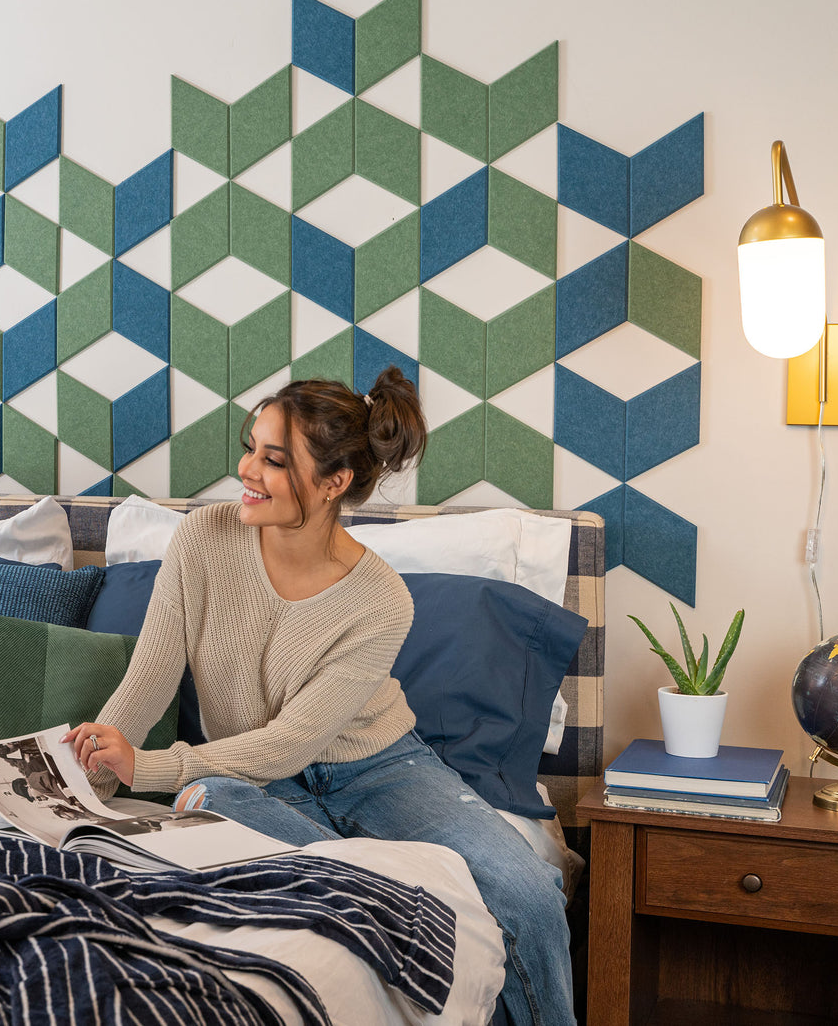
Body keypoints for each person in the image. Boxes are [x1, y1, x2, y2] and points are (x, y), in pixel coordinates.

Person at [62, 367, 575, 1026]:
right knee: (209, 799)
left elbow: (291, 740)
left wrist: (152, 766)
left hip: (381, 770)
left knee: (529, 894)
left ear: (334, 482)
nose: (247, 469)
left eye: (273, 460)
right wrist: (86, 780)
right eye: (251, 447)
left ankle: (372, 872)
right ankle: (385, 882)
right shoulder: (202, 538)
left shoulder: (380, 597)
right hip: (254, 782)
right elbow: (149, 677)